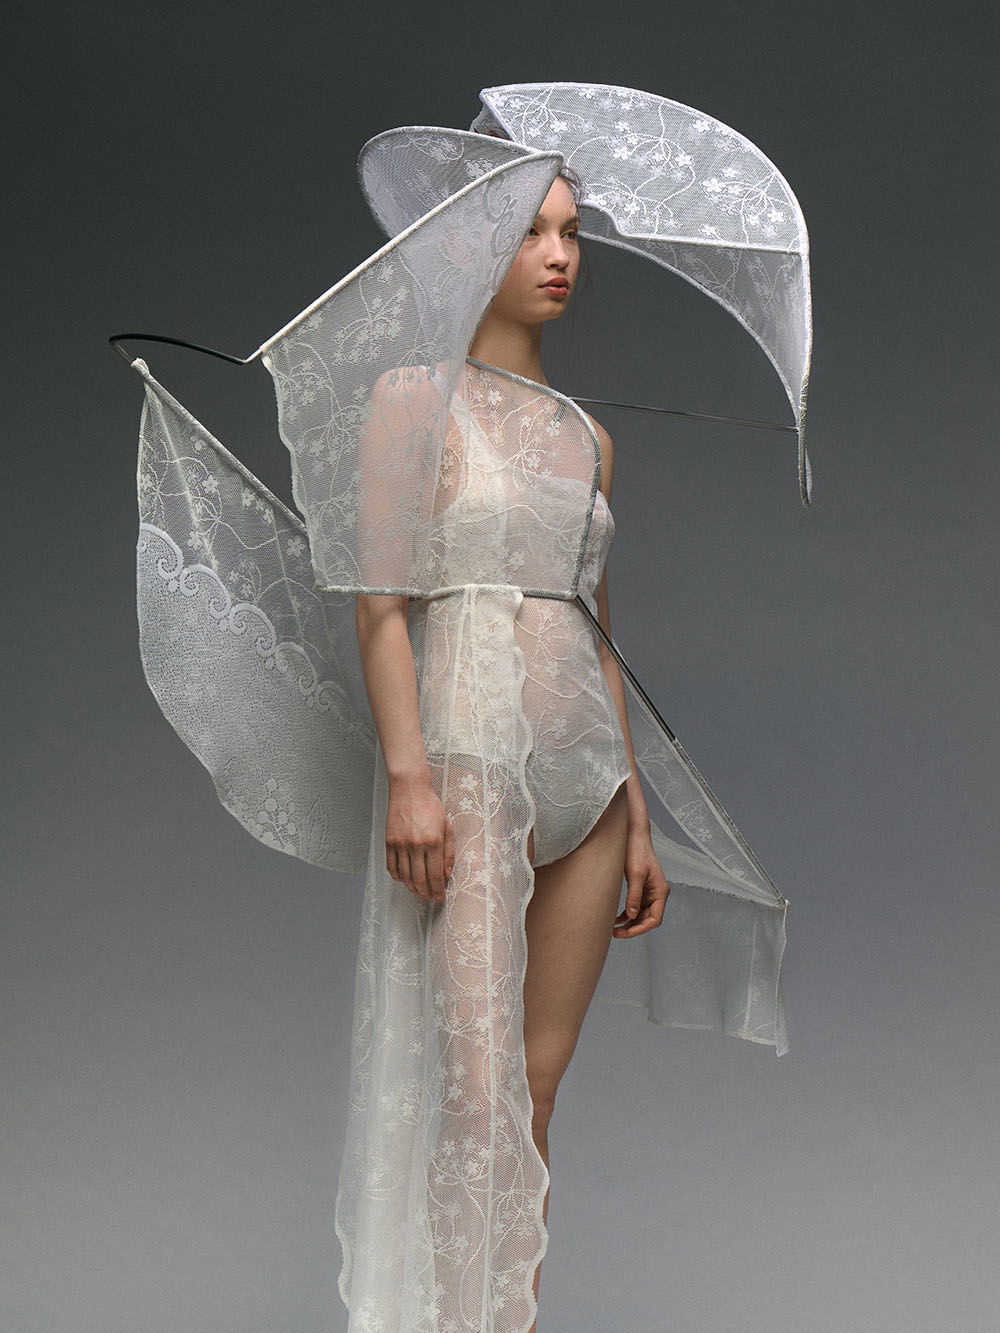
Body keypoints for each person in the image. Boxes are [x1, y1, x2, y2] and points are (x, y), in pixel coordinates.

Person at [350, 170, 669, 1333]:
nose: (559, 254)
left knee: (533, 1097)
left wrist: (636, 809)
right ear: (473, 249)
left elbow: (596, 626)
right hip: (467, 770)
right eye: (531, 231)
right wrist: (409, 778)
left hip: (588, 786)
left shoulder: (589, 438)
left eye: (572, 233)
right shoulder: (412, 402)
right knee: (475, 1098)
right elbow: (379, 605)